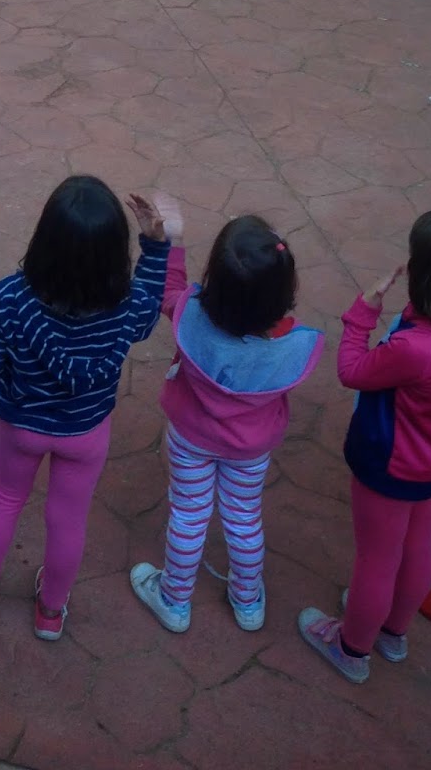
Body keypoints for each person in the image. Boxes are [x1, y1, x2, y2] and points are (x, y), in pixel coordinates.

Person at [0, 181, 171, 640]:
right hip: (86, 430)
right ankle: (51, 611)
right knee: (69, 517)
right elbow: (149, 315)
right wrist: (155, 249)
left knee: (4, 499)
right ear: (115, 252)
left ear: (44, 241)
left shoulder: (11, 297)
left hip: (23, 424)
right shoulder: (127, 303)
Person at [130, 216, 323, 635]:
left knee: (188, 515)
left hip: (191, 438)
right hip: (251, 449)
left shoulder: (191, 315)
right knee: (243, 518)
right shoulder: (292, 343)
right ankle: (247, 601)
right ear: (283, 291)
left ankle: (173, 600)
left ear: (215, 278)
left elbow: (169, 290)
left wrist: (174, 240)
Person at [299, 212, 431, 683]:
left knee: (376, 561)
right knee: (417, 546)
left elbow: (352, 371)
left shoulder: (416, 350)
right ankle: (393, 633)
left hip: (390, 465)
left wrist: (363, 312)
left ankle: (351, 648)